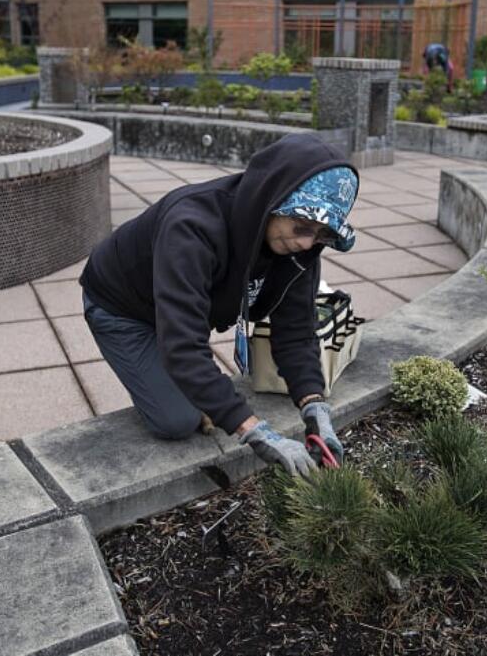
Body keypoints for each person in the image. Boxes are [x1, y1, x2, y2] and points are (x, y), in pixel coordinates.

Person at [79, 133, 360, 478]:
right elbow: (184, 347)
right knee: (176, 420)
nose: (306, 242)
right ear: (271, 200)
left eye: (322, 235)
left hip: (175, 306)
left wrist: (315, 407)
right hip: (122, 307)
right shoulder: (192, 226)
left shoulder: (303, 250)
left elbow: (296, 333)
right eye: (300, 225)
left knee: (199, 384)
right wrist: (257, 432)